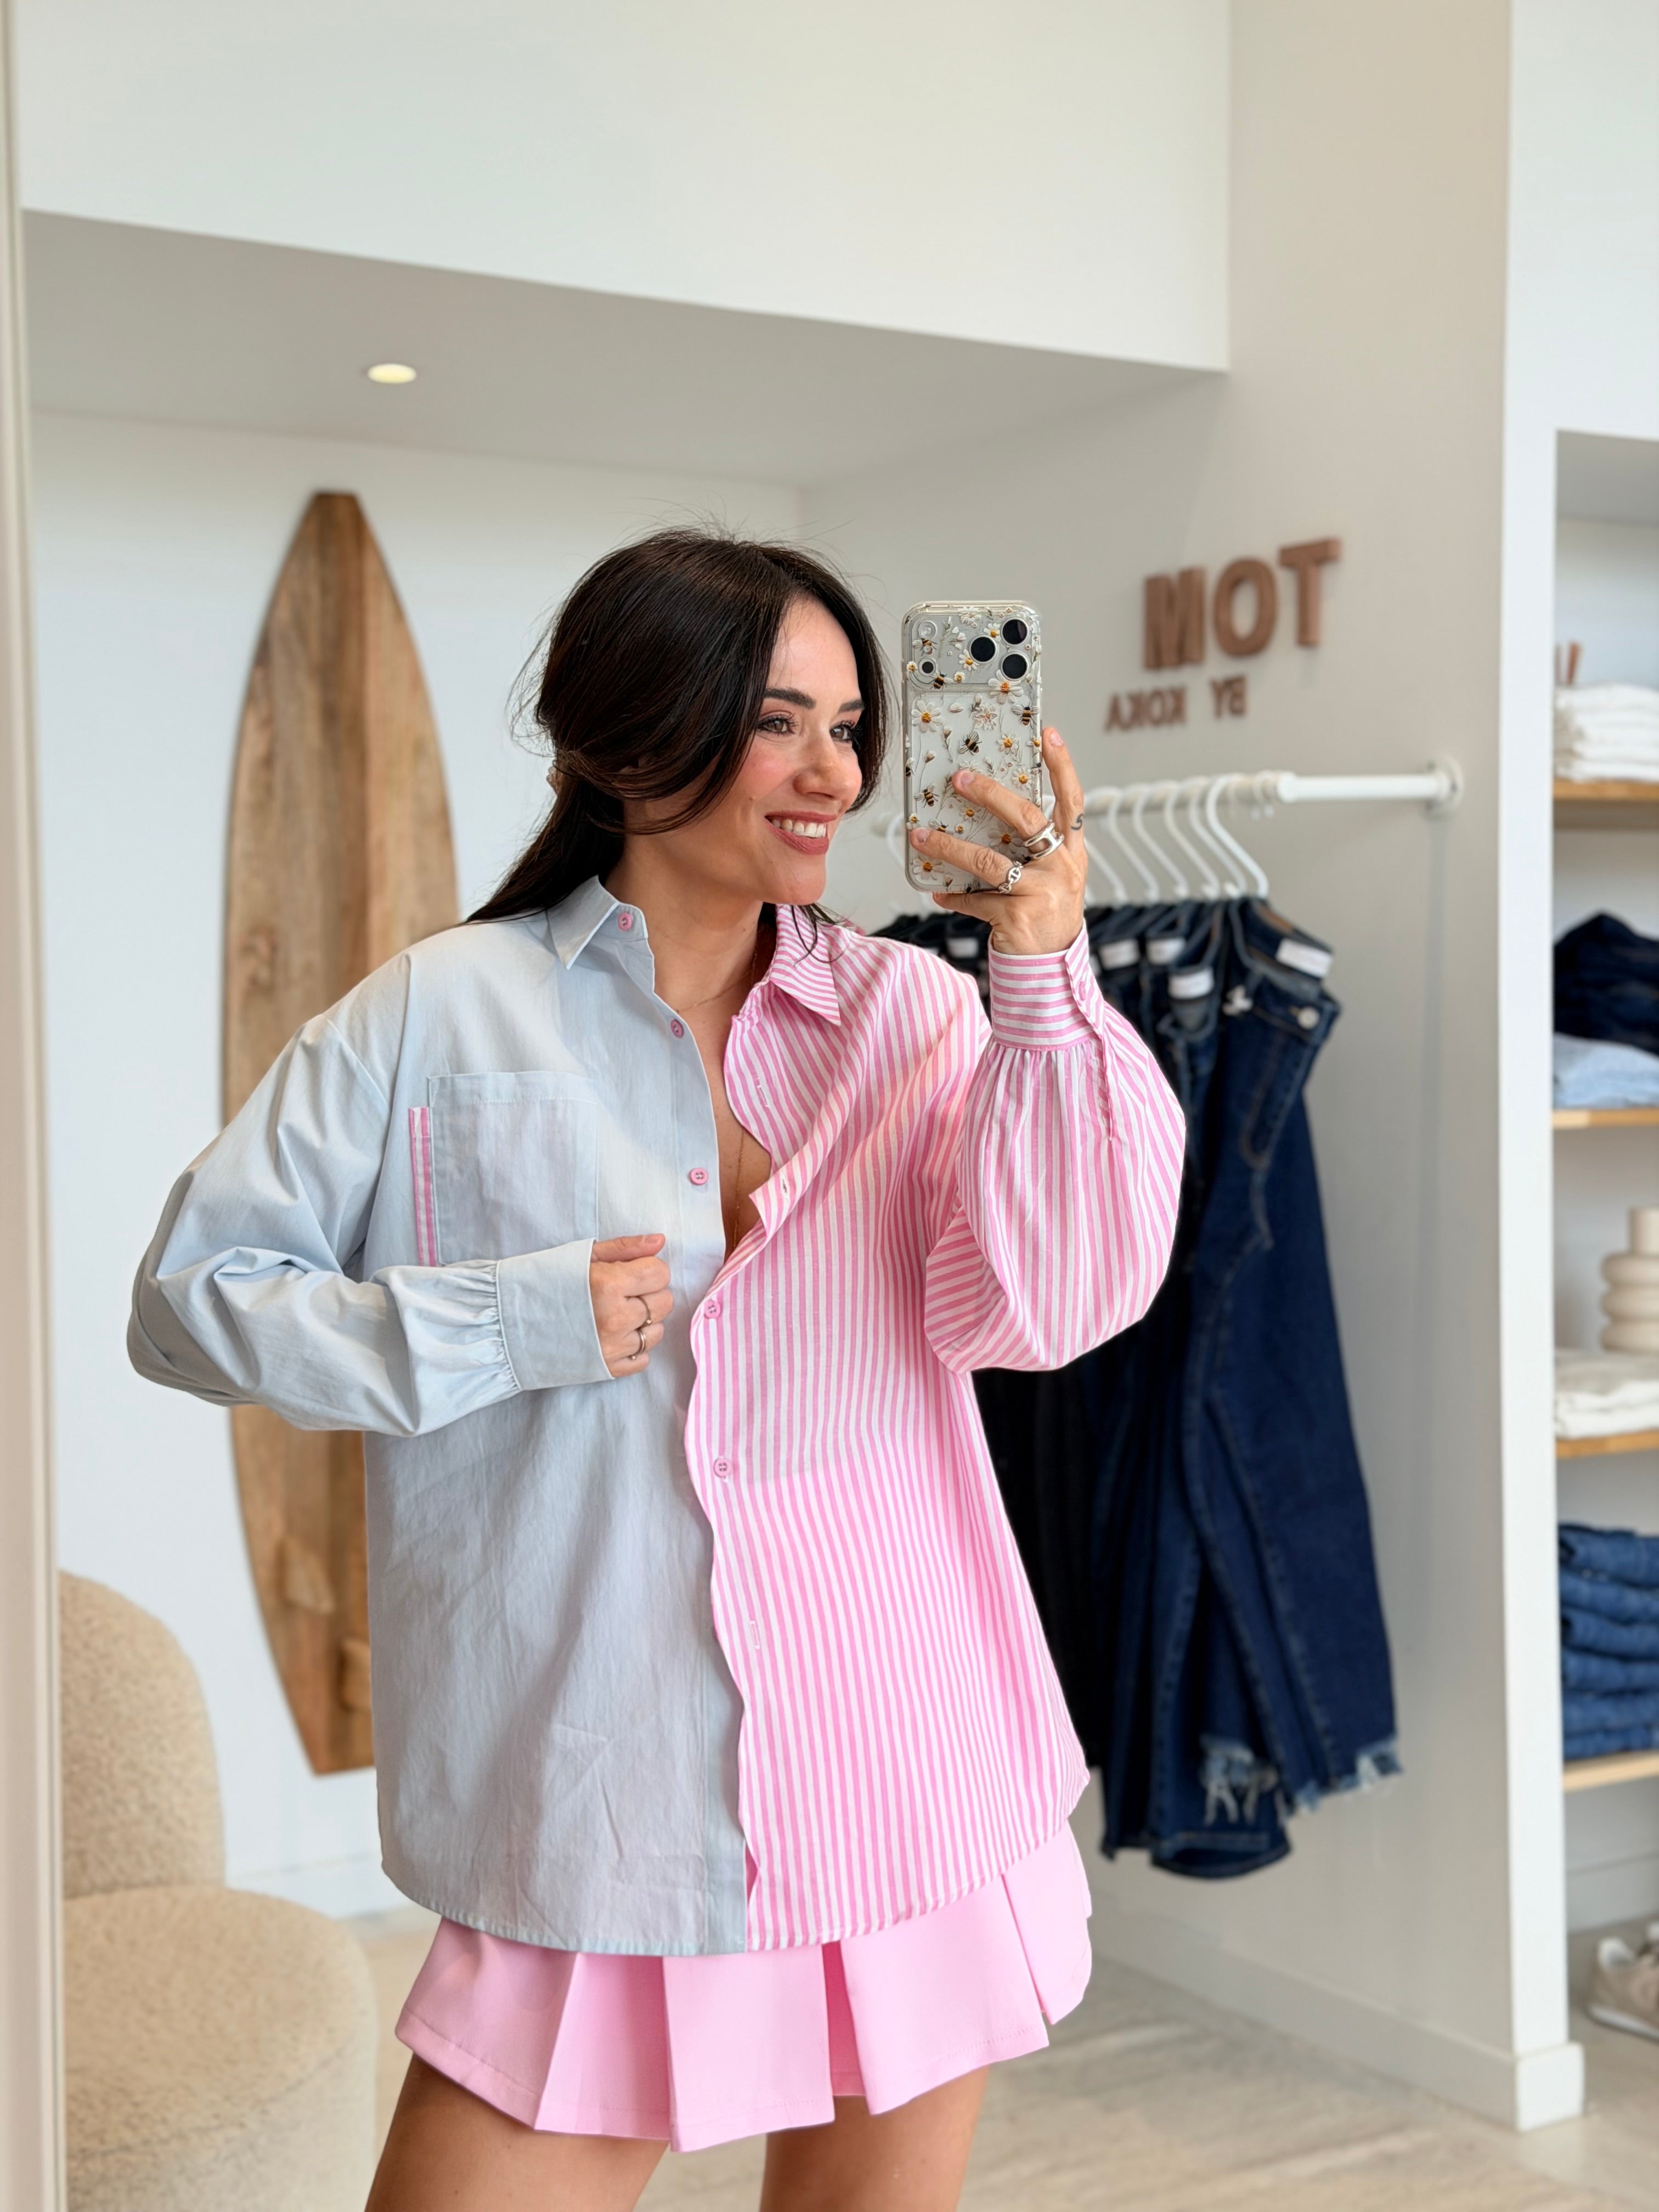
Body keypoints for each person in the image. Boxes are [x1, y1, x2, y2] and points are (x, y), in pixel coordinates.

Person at [129, 529, 1183, 2211]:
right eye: (777, 721)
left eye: (851, 728)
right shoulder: (437, 1017)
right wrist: (505, 1322)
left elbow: (1052, 1304)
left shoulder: (918, 1019)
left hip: (906, 1762)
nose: (833, 773)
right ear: (626, 740)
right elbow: (192, 1303)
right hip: (599, 1797)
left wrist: (1043, 973)